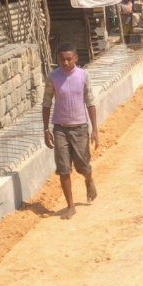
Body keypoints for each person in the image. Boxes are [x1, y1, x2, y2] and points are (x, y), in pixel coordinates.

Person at [41, 45, 100, 218]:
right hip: (60, 129)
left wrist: (95, 129)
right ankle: (71, 205)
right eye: (62, 60)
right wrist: (46, 129)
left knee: (82, 165)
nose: (65, 63)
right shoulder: (53, 77)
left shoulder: (83, 76)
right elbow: (46, 103)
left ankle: (89, 180)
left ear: (76, 58)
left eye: (69, 59)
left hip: (80, 128)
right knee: (63, 168)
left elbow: (90, 102)